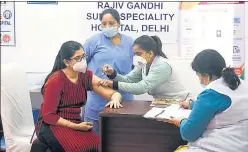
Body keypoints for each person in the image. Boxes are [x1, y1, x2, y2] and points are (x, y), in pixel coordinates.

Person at [31, 41, 123, 152]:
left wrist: (116, 98)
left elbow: (111, 93)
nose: (83, 60)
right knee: (78, 148)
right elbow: (49, 116)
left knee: (98, 146)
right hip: (52, 124)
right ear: (66, 62)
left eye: (83, 56)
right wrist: (77, 127)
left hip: (75, 122)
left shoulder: (85, 76)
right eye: (78, 58)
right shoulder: (55, 80)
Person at [168, 49, 248, 152]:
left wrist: (181, 121)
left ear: (206, 75)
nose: (200, 80)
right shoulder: (240, 84)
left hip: (219, 146)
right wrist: (192, 104)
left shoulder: (211, 93)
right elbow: (220, 107)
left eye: (199, 76)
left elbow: (189, 134)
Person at [83, 8, 134, 134]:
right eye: (104, 24)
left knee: (122, 137)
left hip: (124, 95)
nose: (107, 26)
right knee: (93, 140)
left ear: (118, 23)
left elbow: (135, 70)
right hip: (97, 96)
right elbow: (82, 66)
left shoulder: (130, 42)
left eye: (111, 23)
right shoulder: (93, 41)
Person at [100, 35, 189, 100]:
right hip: (162, 103)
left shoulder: (162, 65)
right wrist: (112, 74)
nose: (136, 57)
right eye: (134, 54)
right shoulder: (143, 63)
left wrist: (112, 84)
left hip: (179, 103)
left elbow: (141, 87)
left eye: (139, 54)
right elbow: (129, 79)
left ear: (150, 53)